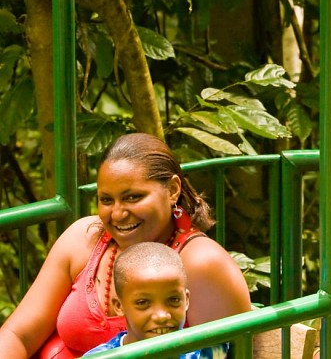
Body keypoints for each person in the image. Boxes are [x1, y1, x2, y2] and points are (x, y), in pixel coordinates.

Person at [0, 133, 251, 359]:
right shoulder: (83, 238)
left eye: (133, 197)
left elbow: (232, 351)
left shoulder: (203, 264)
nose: (118, 214)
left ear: (173, 190)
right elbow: (18, 335)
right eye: (106, 200)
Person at [84, 242, 227, 358]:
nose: (161, 316)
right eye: (143, 303)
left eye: (173, 300)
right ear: (119, 306)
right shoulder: (101, 358)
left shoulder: (209, 353)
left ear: (186, 300)